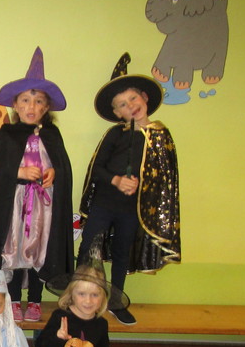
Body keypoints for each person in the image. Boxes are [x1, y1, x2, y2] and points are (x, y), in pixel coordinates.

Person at [78, 53, 181, 325]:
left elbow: (165, 178)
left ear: (145, 98)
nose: (131, 106)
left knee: (123, 252)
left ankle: (116, 300)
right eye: (122, 104)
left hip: (133, 209)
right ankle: (79, 298)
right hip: (104, 203)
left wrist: (142, 186)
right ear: (117, 113)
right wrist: (116, 180)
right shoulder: (115, 134)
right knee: (89, 247)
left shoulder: (161, 135)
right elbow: (96, 169)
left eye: (133, 98)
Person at [0, 47, 74, 323]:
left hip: (43, 207)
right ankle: (14, 300)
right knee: (13, 250)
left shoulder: (53, 134)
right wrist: (20, 172)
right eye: (25, 100)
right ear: (15, 105)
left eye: (38, 102)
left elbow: (63, 167)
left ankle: (35, 300)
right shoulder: (7, 134)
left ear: (46, 108)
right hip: (15, 206)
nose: (31, 107)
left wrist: (54, 172)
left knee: (40, 248)